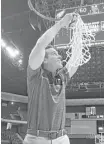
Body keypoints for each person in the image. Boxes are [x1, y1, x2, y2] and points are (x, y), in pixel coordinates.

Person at [23, 13, 78, 144]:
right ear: (44, 59)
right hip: (36, 139)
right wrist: (61, 23)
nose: (59, 56)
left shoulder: (62, 77)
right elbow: (40, 45)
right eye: (54, 54)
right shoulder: (35, 75)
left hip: (62, 138)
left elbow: (76, 59)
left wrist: (77, 30)